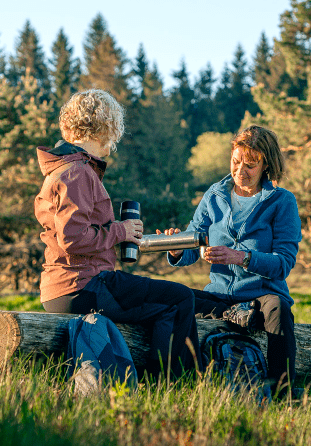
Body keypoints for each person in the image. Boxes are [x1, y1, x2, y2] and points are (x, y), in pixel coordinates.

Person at [35, 88, 198, 376]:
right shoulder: (77, 172)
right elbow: (73, 238)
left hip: (63, 287)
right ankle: (169, 386)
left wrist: (119, 233)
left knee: (158, 301)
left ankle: (147, 379)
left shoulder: (62, 169)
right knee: (179, 299)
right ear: (106, 128)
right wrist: (120, 231)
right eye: (114, 131)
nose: (114, 142)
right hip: (84, 286)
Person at [162, 125, 302, 393]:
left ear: (266, 165)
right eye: (236, 162)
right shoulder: (214, 196)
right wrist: (178, 249)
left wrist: (240, 257)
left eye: (250, 165)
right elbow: (194, 242)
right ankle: (180, 386)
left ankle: (283, 393)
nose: (240, 171)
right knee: (175, 297)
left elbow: (283, 263)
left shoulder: (282, 202)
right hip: (219, 296)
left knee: (279, 309)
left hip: (262, 296)